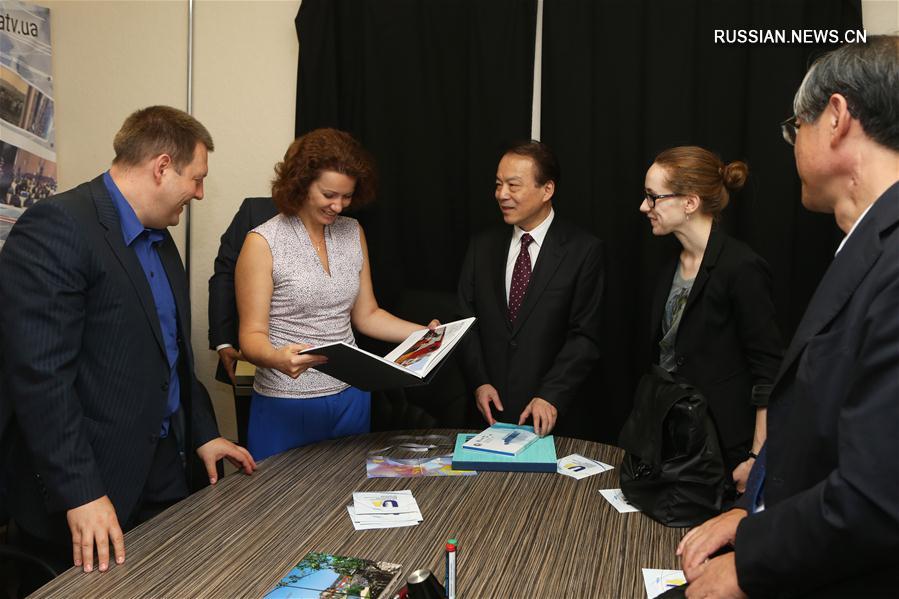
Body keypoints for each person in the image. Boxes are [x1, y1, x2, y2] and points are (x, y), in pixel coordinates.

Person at [677, 36, 899, 598]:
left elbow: (876, 497)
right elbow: (820, 425)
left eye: (794, 127)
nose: (791, 144)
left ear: (836, 118)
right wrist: (752, 512)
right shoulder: (870, 242)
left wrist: (751, 562)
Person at [0, 106, 256, 580]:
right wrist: (81, 492)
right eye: (197, 179)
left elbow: (171, 356)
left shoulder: (161, 237)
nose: (200, 193)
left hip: (164, 468)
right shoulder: (58, 226)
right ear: (162, 166)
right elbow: (41, 379)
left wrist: (203, 432)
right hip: (92, 484)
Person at [235, 128, 438, 461]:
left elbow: (367, 315)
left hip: (351, 397)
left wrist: (424, 334)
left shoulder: (353, 231)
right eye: (329, 194)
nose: (338, 205)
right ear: (301, 183)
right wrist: (276, 358)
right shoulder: (262, 242)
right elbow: (251, 336)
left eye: (347, 196)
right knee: (282, 494)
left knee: (347, 490)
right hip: (287, 402)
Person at [640, 146, 782, 490]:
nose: (644, 207)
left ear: (690, 203)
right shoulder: (667, 266)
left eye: (653, 197)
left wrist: (756, 457)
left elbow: (768, 369)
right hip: (673, 442)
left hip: (723, 453)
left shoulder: (741, 267)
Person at [457, 140, 604, 437]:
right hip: (487, 417)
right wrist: (479, 382)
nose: (502, 194)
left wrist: (551, 395)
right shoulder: (481, 247)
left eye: (513, 185)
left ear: (547, 189)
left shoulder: (583, 250)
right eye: (498, 184)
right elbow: (465, 321)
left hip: (551, 418)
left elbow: (585, 335)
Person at [208, 197, 278, 387]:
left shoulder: (342, 216)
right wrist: (224, 341)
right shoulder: (256, 211)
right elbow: (225, 275)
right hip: (249, 355)